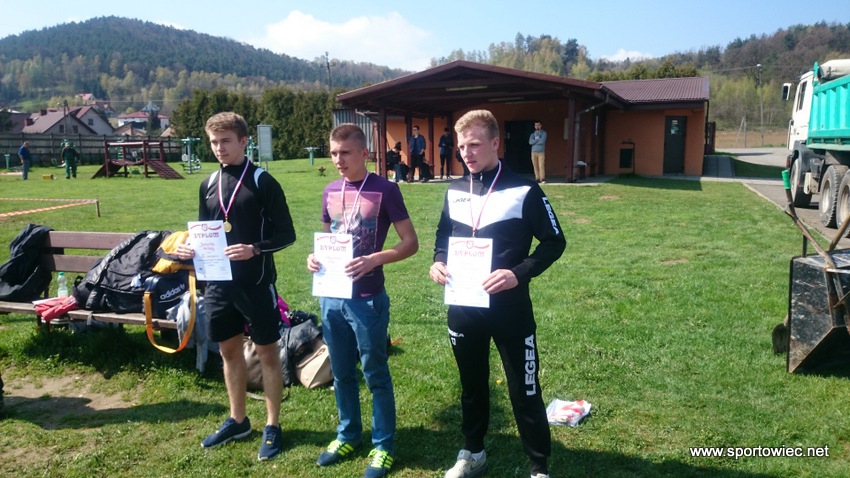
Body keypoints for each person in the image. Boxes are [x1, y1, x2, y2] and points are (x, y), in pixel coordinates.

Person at [429, 110, 565, 478]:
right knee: (472, 386)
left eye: (474, 145)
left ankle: (538, 466)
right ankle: (473, 452)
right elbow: (443, 234)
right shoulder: (455, 189)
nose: (466, 153)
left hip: (510, 308)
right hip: (464, 306)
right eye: (462, 147)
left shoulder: (525, 189)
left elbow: (554, 242)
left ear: (495, 142)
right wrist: (438, 261)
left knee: (524, 389)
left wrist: (517, 273)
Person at [177, 112, 296, 462]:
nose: (219, 148)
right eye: (214, 142)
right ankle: (238, 420)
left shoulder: (262, 181)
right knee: (229, 352)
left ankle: (272, 425)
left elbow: (287, 234)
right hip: (218, 285)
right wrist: (189, 247)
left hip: (255, 283)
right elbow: (205, 231)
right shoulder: (208, 183)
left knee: (267, 353)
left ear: (244, 142)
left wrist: (254, 249)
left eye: (226, 141)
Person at [308, 123, 418, 478]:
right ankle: (348, 435)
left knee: (375, 373)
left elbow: (410, 243)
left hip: (367, 300)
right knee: (341, 372)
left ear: (364, 153)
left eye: (345, 153)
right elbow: (328, 239)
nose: (338, 160)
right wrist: (314, 259)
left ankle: (383, 445)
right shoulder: (330, 190)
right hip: (332, 297)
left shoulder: (385, 189)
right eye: (333, 153)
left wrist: (373, 260)